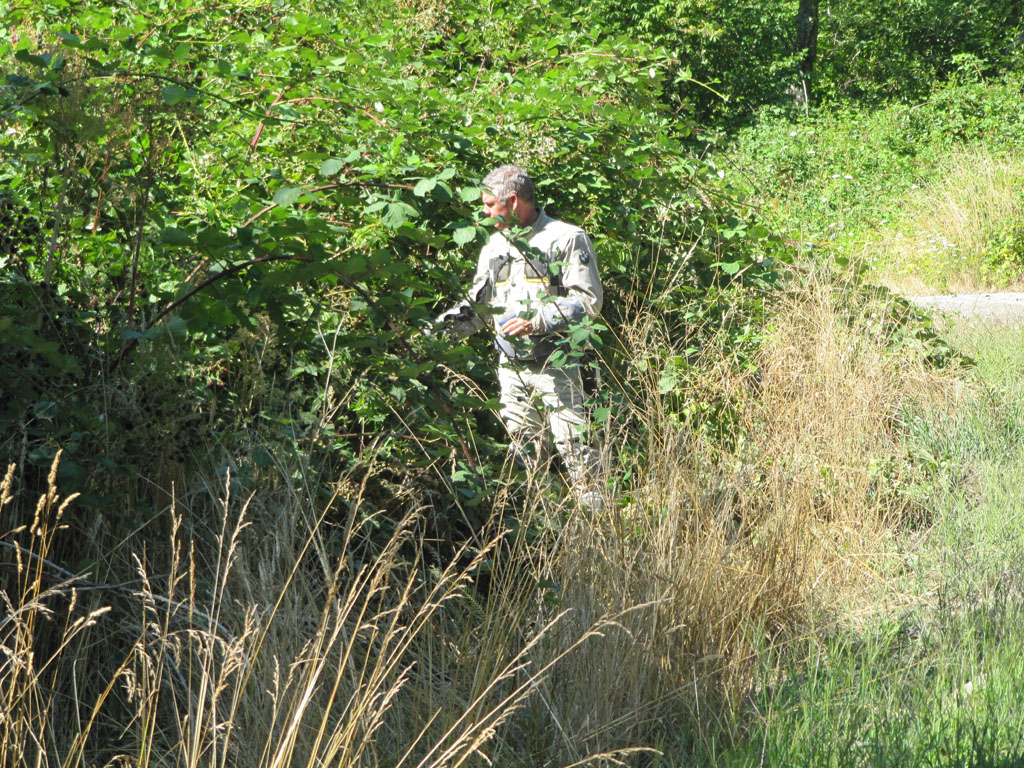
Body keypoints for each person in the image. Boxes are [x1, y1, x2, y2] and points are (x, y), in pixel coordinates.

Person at [436, 165, 604, 510]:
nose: (483, 212)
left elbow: (589, 302)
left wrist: (538, 319)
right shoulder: (495, 246)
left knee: (582, 459)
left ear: (511, 201)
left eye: (488, 204)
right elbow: (478, 307)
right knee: (526, 462)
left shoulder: (567, 238)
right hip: (511, 370)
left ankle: (601, 542)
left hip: (563, 368)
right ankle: (543, 540)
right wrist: (431, 338)